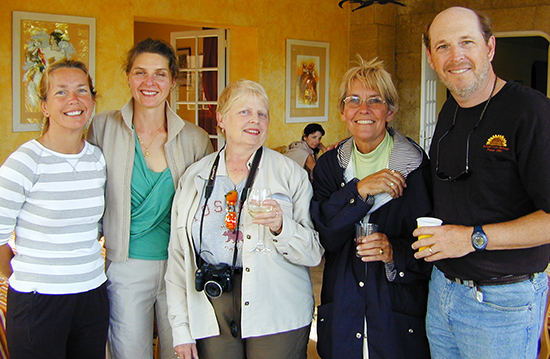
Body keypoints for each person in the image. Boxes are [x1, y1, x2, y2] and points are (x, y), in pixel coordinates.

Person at [413, 7, 550, 359]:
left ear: (489, 48)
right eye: (442, 46)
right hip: (443, 291)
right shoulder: (449, 110)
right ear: (430, 57)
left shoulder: (532, 113)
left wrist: (473, 238)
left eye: (467, 42)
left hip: (504, 302)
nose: (455, 56)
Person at [165, 79, 323, 359]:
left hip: (277, 306)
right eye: (244, 112)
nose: (255, 120)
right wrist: (181, 328)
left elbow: (313, 253)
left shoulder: (290, 174)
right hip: (211, 306)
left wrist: (281, 226)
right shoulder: (194, 177)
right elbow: (179, 259)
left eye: (262, 114)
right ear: (221, 119)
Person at [88, 38, 213, 359]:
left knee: (181, 352)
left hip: (181, 266)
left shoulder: (196, 139)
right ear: (128, 77)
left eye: (159, 74)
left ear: (173, 81)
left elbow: (208, 209)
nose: (149, 82)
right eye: (140, 72)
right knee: (129, 352)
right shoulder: (102, 128)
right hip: (126, 265)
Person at [311, 57, 432, 359]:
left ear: (390, 111)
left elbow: (432, 243)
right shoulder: (329, 166)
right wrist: (360, 190)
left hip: (396, 312)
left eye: (375, 100)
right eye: (353, 100)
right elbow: (325, 234)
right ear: (342, 111)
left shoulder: (416, 167)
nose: (363, 109)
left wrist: (395, 251)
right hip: (343, 305)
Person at [0, 59, 109, 358]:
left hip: (92, 295)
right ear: (45, 106)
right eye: (61, 92)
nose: (73, 100)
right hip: (38, 301)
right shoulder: (25, 162)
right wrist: (27, 275)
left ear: (92, 100)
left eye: (82, 91)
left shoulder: (97, 160)